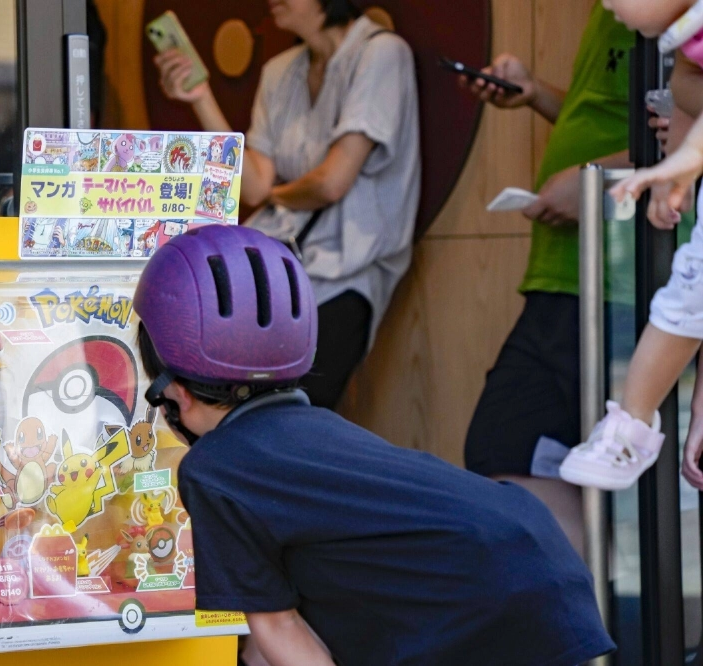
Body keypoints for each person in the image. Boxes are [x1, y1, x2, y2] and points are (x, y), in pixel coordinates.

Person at [132, 223, 614, 666]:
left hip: (471, 599)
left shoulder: (215, 469)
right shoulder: (313, 429)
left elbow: (278, 627)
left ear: (174, 393)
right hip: (535, 555)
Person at [154, 0, 420, 410]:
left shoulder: (382, 53)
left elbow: (332, 182)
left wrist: (279, 195)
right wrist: (201, 97)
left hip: (347, 272)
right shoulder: (281, 70)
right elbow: (255, 186)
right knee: (235, 404)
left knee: (293, 409)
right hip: (275, 270)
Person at [460, 2, 635, 551]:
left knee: (634, 483)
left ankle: (621, 622)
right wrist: (535, 92)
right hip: (560, 279)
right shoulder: (612, 13)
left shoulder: (677, 22)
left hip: (626, 281)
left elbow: (686, 141)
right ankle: (581, 623)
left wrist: (602, 182)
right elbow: (607, 115)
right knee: (501, 449)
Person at [560, 0, 703, 490]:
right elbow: (689, 92)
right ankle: (632, 424)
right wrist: (671, 182)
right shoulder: (687, 35)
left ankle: (634, 425)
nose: (605, 4)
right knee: (689, 293)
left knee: (687, 296)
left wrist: (676, 168)